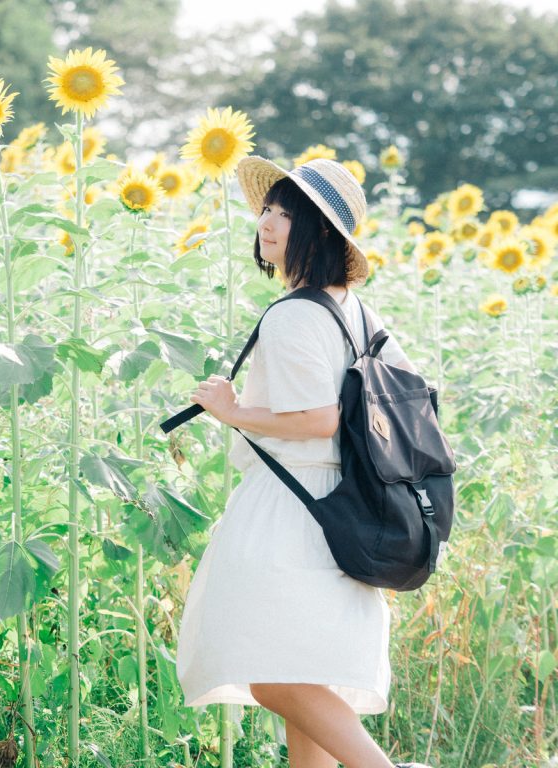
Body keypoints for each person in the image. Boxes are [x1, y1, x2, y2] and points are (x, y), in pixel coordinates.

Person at [175, 156, 432, 768]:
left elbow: (318, 419)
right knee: (307, 682)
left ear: (320, 232)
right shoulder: (361, 315)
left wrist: (230, 410)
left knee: (271, 674)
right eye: (269, 209)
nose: (267, 223)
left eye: (288, 215)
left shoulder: (293, 314)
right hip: (351, 512)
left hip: (292, 513)